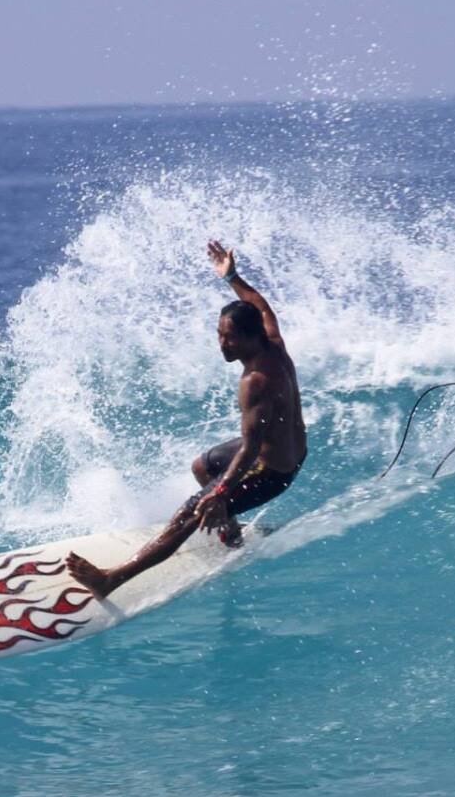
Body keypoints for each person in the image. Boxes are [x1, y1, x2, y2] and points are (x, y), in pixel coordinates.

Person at [66, 240, 307, 598]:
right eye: (219, 336)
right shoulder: (272, 340)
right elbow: (260, 304)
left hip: (272, 472)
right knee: (201, 467)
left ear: (249, 338)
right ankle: (232, 534)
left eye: (229, 339)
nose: (222, 345)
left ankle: (111, 580)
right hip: (282, 449)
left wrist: (219, 494)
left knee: (188, 513)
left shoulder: (256, 381)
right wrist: (232, 277)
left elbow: (250, 448)